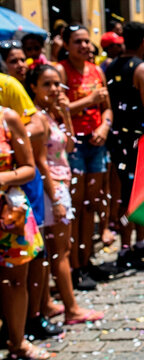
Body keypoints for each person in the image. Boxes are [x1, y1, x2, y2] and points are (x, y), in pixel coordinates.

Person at [25, 64, 105, 325]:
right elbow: (41, 163)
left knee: (56, 251)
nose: (54, 89)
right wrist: (57, 200)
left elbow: (69, 146)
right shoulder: (37, 118)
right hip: (53, 189)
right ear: (33, 87)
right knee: (61, 252)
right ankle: (72, 309)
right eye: (47, 84)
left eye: (57, 84)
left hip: (60, 184)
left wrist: (66, 116)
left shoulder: (51, 115)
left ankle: (47, 304)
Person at [55, 24, 114, 290]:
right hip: (73, 144)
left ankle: (87, 259)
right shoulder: (60, 71)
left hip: (96, 141)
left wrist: (104, 127)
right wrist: (89, 100)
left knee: (92, 202)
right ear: (66, 45)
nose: (84, 46)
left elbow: (107, 109)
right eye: (78, 41)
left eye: (86, 42)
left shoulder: (97, 71)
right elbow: (57, 111)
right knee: (76, 206)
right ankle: (76, 265)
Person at [105, 22, 144, 271]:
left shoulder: (111, 66)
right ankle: (126, 248)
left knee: (135, 191)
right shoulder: (143, 69)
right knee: (132, 193)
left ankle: (140, 242)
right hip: (140, 139)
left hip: (117, 137)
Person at [0, 105, 48, 359]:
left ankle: (17, 342)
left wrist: (3, 178)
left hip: (9, 218)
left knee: (17, 281)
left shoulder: (7, 119)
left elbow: (30, 168)